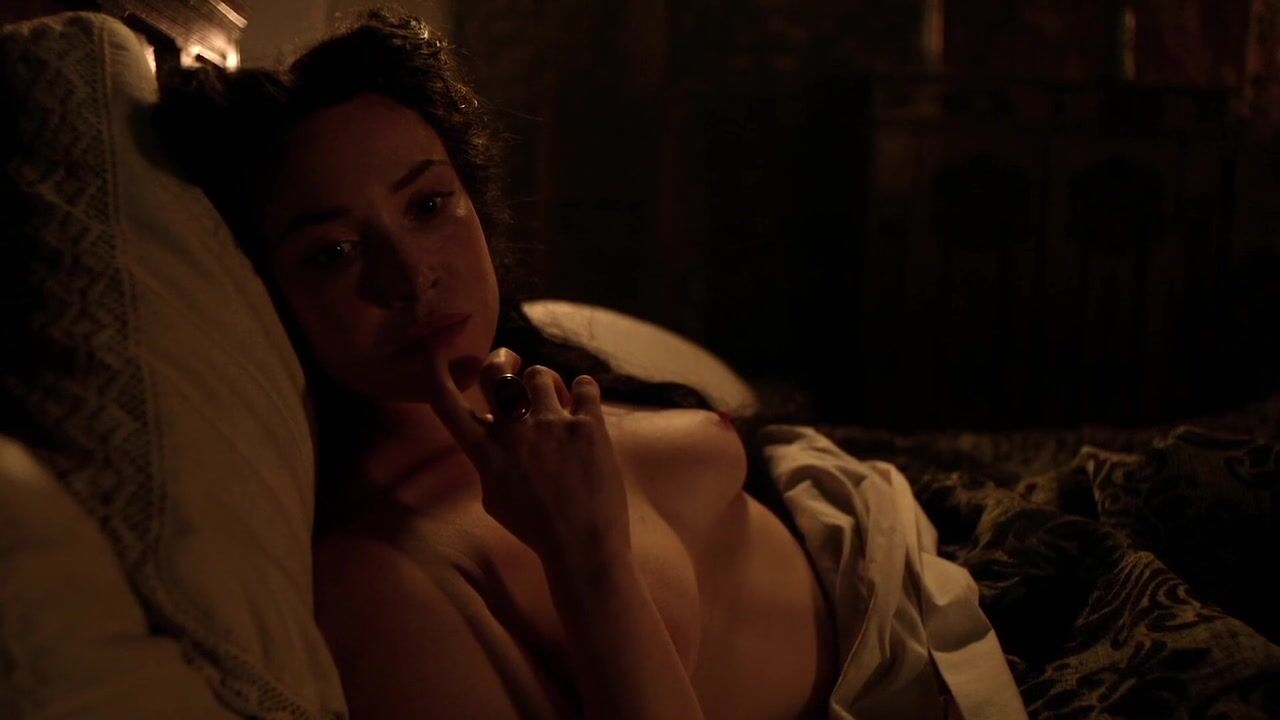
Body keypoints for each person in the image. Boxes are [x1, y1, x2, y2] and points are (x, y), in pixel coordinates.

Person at [153, 8, 969, 719]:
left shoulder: (533, 379)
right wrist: (584, 551)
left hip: (919, 562)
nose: (411, 275)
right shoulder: (376, 581)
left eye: (430, 205)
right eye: (333, 253)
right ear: (265, 291)